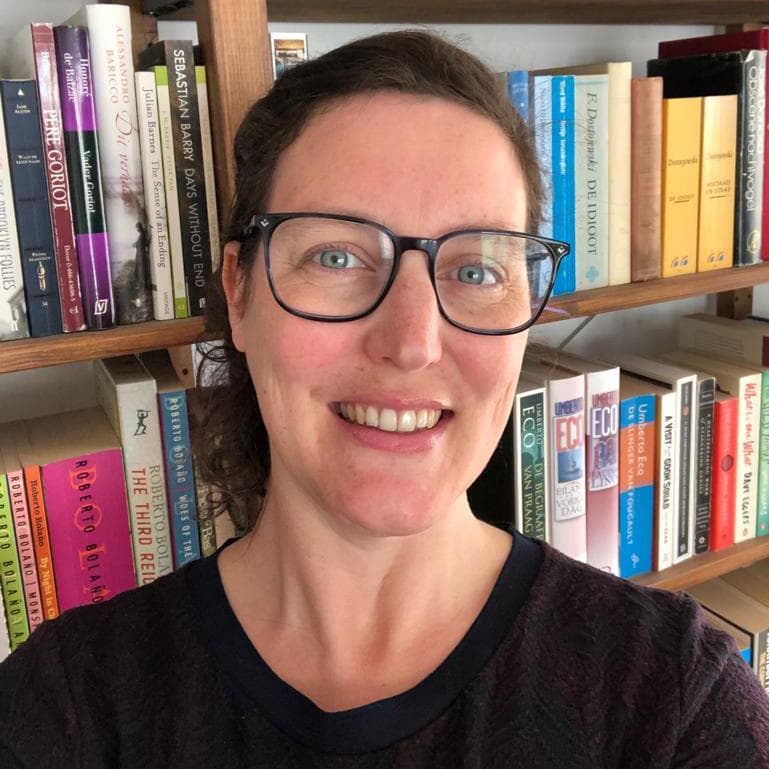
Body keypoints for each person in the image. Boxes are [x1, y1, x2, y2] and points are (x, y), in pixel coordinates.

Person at [1, 30, 768, 769]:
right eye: (336, 257)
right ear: (238, 294)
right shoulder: (64, 706)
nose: (411, 342)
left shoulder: (673, 699)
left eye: (475, 270)